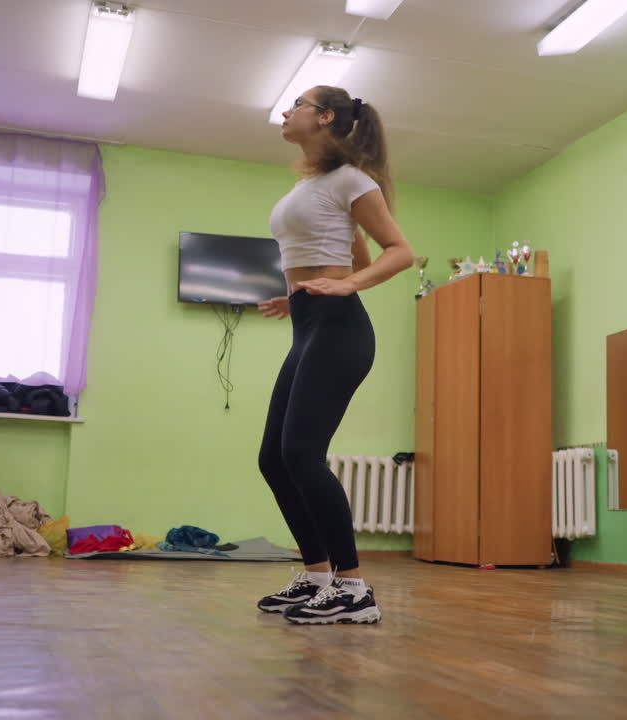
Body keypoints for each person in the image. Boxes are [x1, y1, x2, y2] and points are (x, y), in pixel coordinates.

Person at [254, 85, 414, 624]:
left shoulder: (352, 179)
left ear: (324, 117)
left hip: (340, 330)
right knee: (273, 459)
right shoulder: (318, 184)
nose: (285, 110)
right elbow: (352, 251)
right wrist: (300, 290)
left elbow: (399, 252)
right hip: (309, 324)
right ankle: (317, 575)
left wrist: (347, 287)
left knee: (301, 454)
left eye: (296, 103)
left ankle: (353, 589)